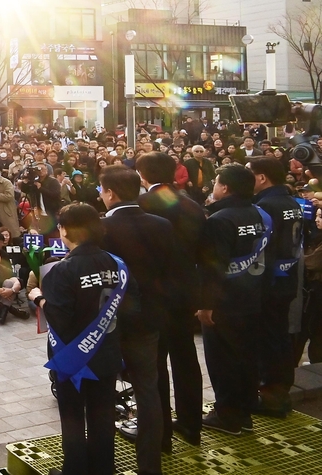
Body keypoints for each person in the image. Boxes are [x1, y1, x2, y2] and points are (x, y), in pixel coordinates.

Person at [28, 203, 125, 475]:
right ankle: (103, 466)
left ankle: (75, 469)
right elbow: (131, 306)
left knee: (72, 418)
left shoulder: (63, 269)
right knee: (103, 415)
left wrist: (38, 298)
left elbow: (59, 318)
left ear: (66, 229)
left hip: (73, 359)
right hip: (106, 352)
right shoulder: (116, 264)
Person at [98, 165, 179, 473]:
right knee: (148, 389)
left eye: (102, 190)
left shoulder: (103, 227)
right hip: (151, 318)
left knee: (104, 389)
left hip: (112, 321)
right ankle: (151, 463)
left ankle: (104, 462)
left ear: (110, 193)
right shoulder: (161, 224)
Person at [136, 151, 205, 447]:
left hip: (154, 296)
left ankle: (159, 432)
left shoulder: (143, 206)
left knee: (155, 364)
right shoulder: (191, 204)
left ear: (143, 175)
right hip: (186, 292)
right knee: (186, 358)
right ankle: (191, 426)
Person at [198, 164, 267, 435]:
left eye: (216, 182)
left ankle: (227, 415)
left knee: (222, 359)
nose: (214, 186)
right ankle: (245, 412)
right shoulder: (258, 214)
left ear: (224, 187)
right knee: (246, 357)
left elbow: (212, 267)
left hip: (225, 302)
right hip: (251, 295)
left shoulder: (219, 220)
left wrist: (206, 304)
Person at [249, 157, 305, 418]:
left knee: (268, 341)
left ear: (261, 178)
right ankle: (281, 391)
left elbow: (263, 250)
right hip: (288, 278)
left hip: (269, 283)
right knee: (281, 337)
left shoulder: (265, 205)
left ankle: (271, 396)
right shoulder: (291, 201)